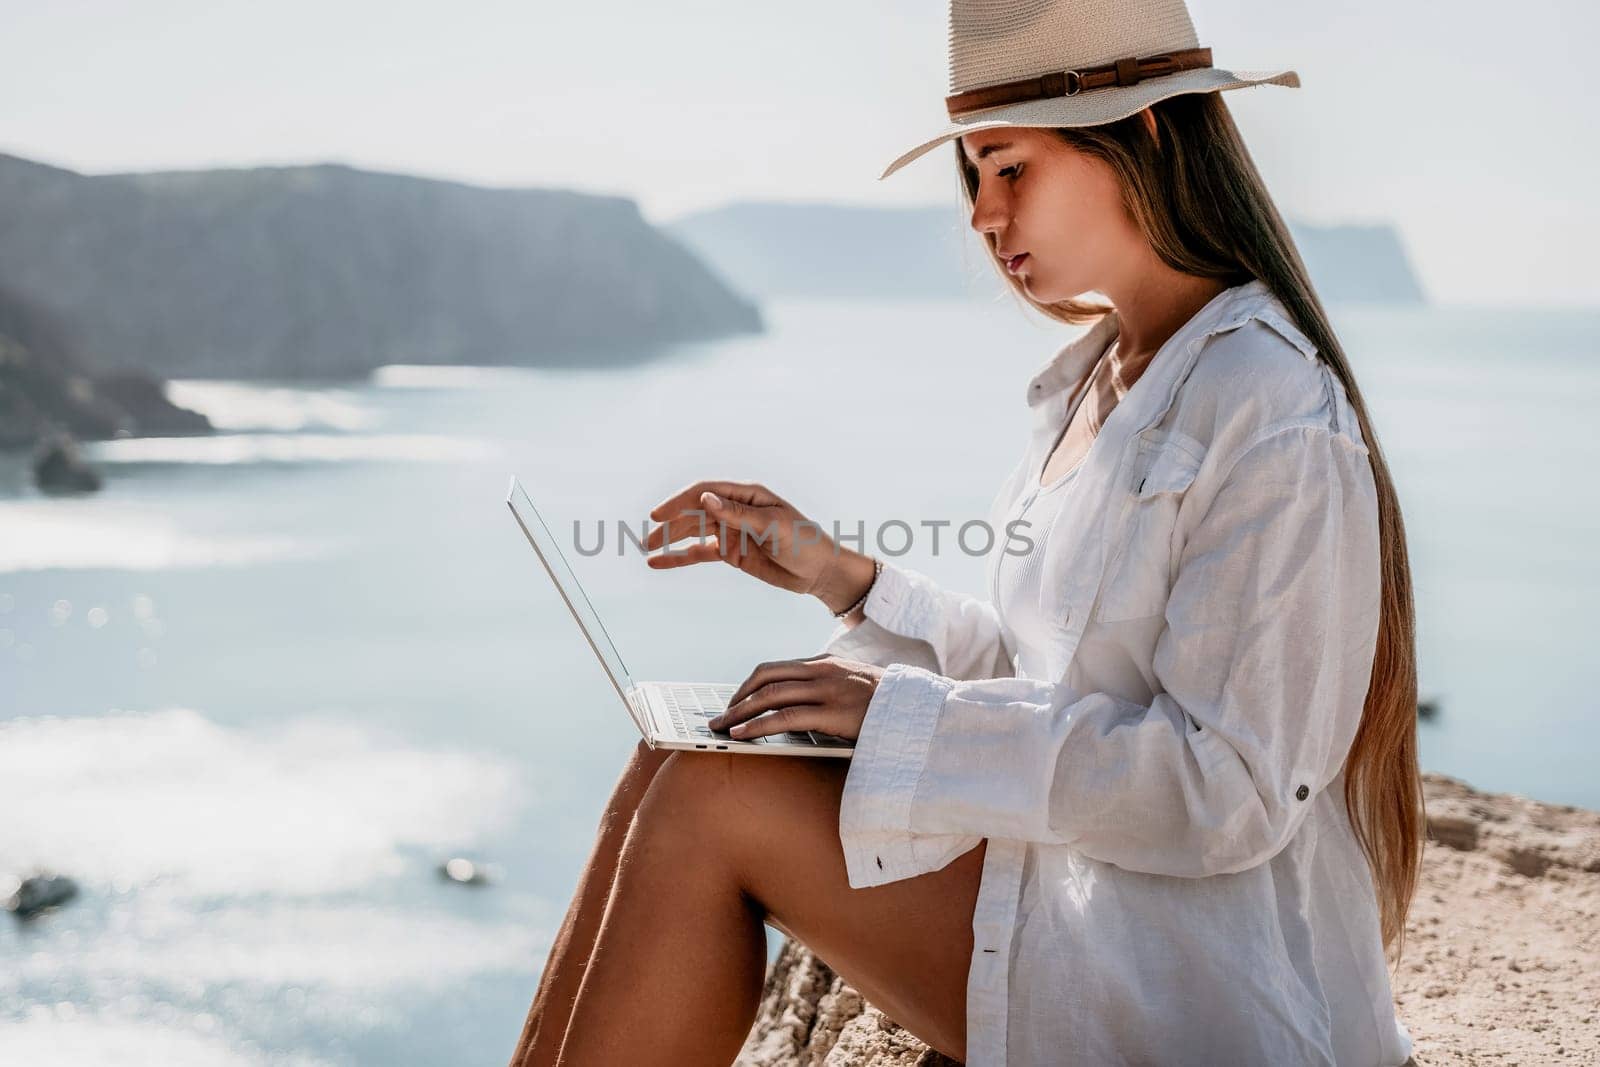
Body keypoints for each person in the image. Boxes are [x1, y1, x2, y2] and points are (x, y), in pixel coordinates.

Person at [508, 0, 1423, 1063]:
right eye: (972, 178)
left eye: (1009, 170)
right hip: (1089, 896)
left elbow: (1227, 791)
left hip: (1193, 976)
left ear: (1149, 138)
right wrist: (845, 582)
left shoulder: (1268, 405)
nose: (984, 217)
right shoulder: (1098, 378)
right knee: (673, 761)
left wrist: (902, 718)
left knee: (711, 799)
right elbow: (1070, 678)